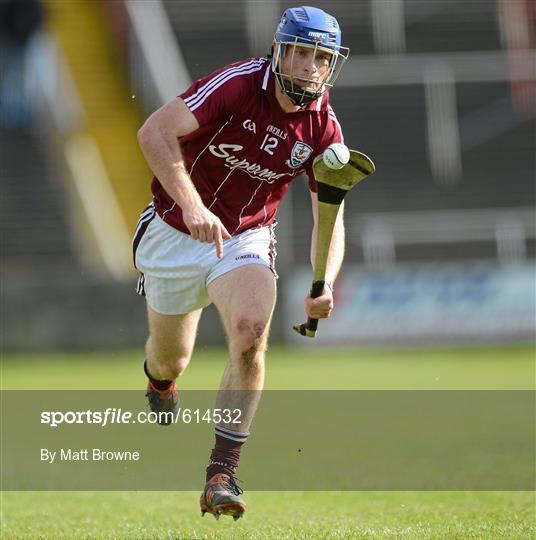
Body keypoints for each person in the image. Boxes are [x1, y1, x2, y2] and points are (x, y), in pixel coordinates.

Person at [134, 5, 350, 521]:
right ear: (281, 51)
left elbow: (332, 216)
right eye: (303, 53)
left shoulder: (324, 130)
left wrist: (325, 282)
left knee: (252, 330)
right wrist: (191, 205)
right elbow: (154, 132)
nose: (311, 68)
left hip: (245, 240)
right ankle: (160, 382)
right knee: (172, 358)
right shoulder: (238, 83)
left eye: (322, 58)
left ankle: (221, 473)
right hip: (172, 229)